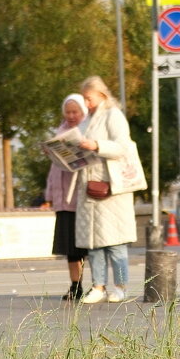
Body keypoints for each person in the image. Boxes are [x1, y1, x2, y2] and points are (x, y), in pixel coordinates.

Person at [74, 76, 136, 304]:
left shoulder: (113, 115)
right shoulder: (86, 120)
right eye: (84, 99)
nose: (86, 103)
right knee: (94, 243)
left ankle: (120, 286)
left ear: (101, 95)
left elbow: (122, 146)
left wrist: (97, 145)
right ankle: (98, 286)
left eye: (88, 99)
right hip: (89, 186)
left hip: (110, 188)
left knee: (116, 242)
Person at [43, 93, 89, 301]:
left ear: (83, 112)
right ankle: (75, 285)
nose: (71, 116)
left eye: (75, 112)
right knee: (70, 246)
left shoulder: (87, 132)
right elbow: (54, 169)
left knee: (87, 246)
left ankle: (97, 284)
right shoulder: (59, 132)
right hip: (63, 198)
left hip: (81, 196)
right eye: (68, 112)